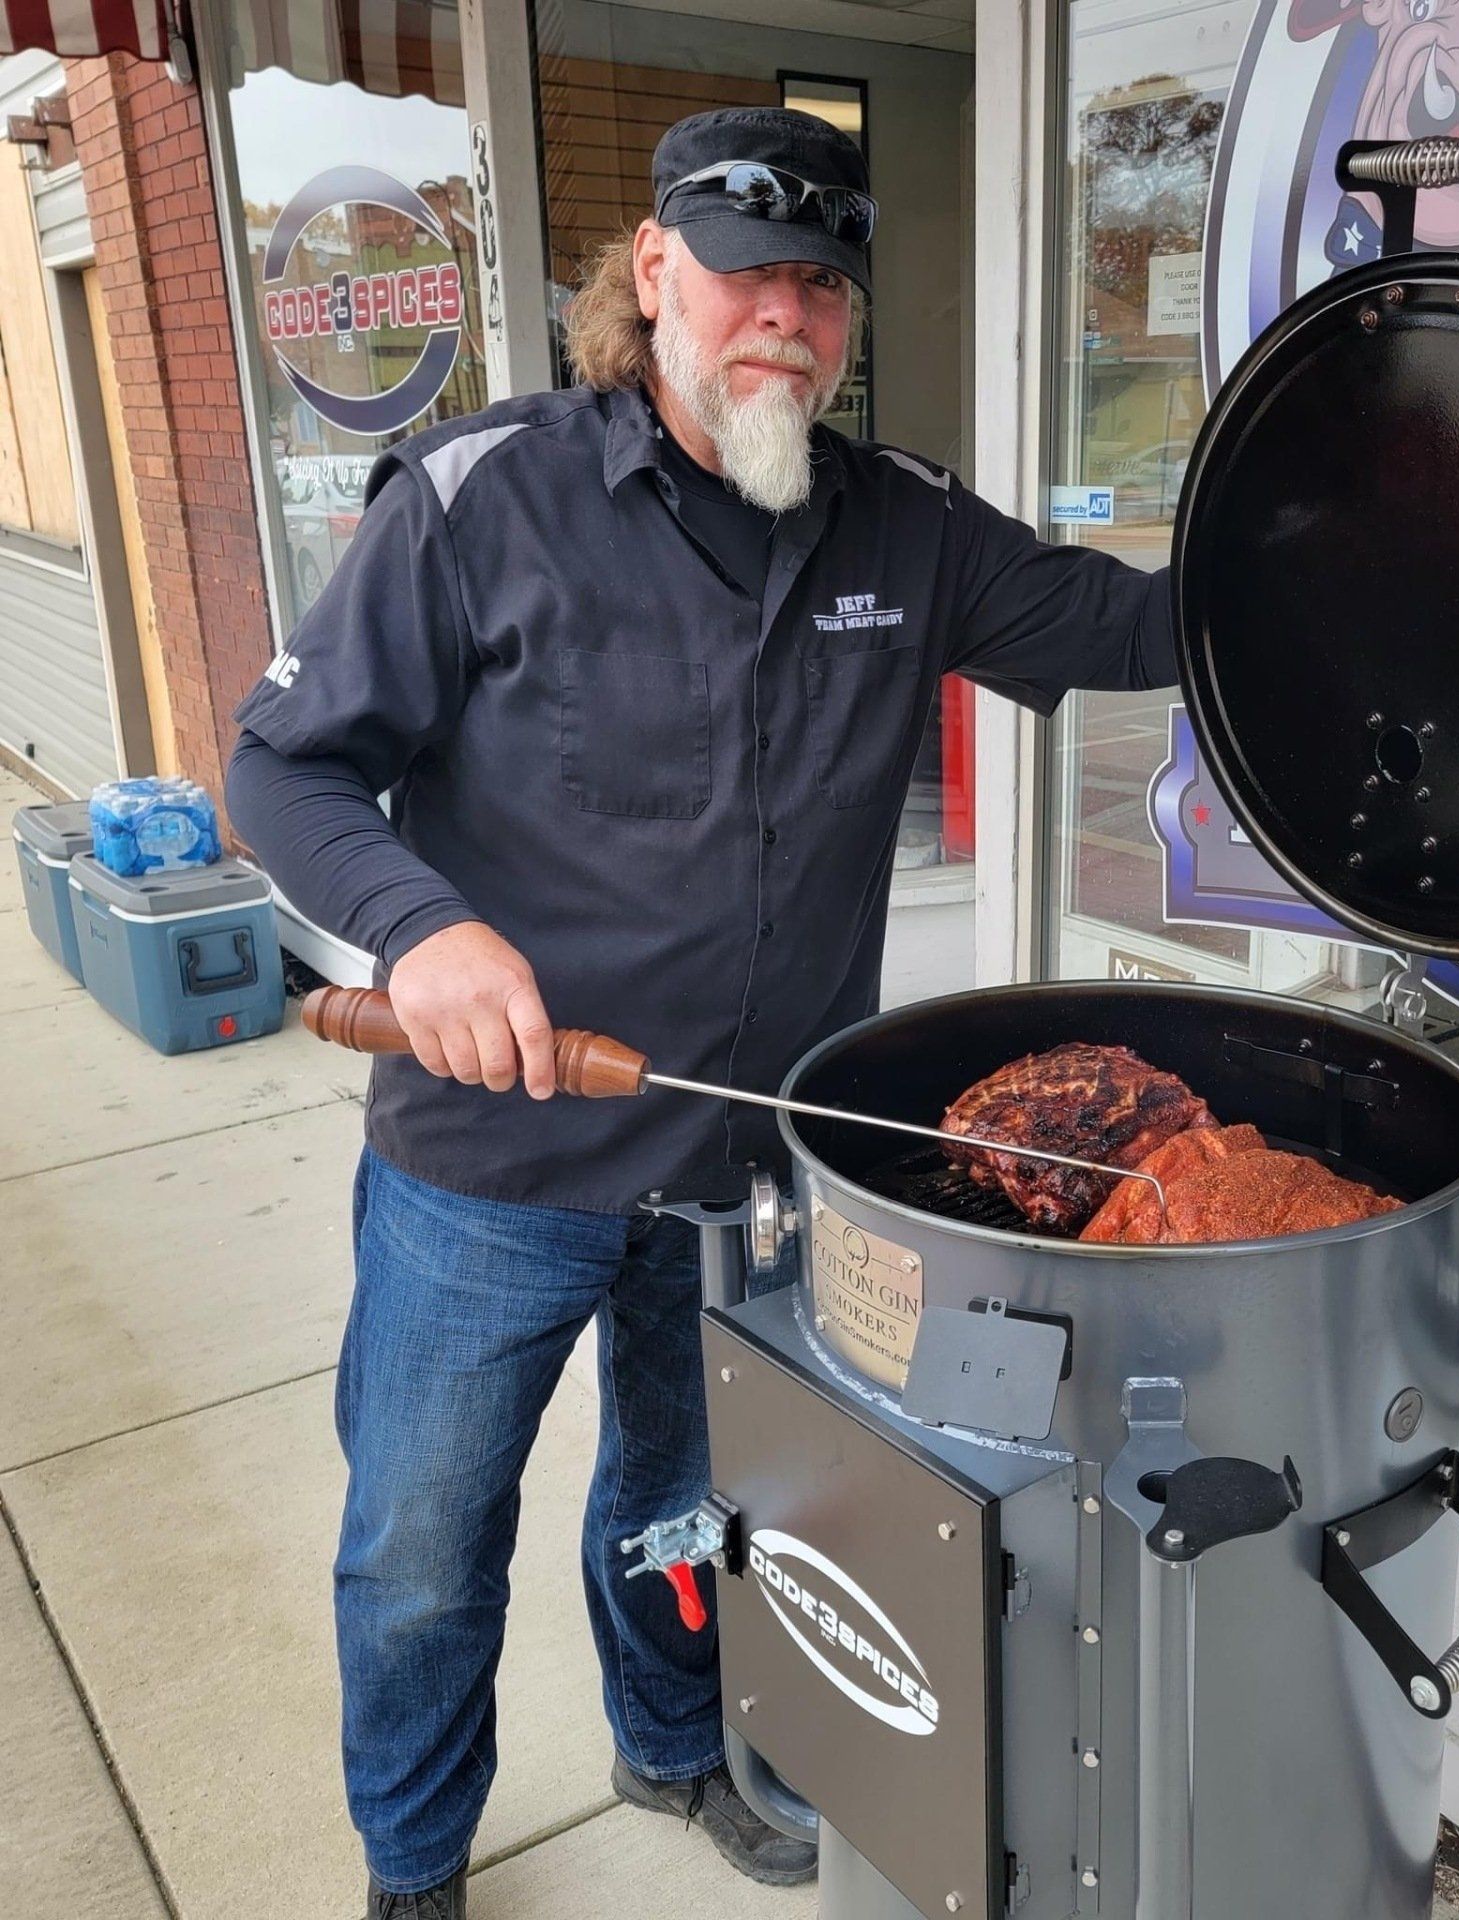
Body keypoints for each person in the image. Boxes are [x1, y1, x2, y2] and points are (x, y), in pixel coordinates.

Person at [227, 106, 1178, 1920]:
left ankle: (674, 1752)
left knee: (686, 1511)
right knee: (424, 1548)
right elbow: (282, 772)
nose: (788, 322)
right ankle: (414, 1861)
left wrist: (1341, 560)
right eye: (749, 275)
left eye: (822, 286)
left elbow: (1133, 632)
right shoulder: (477, 499)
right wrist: (417, 934)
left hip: (743, 1179)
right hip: (490, 1168)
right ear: (653, 276)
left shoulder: (904, 528)